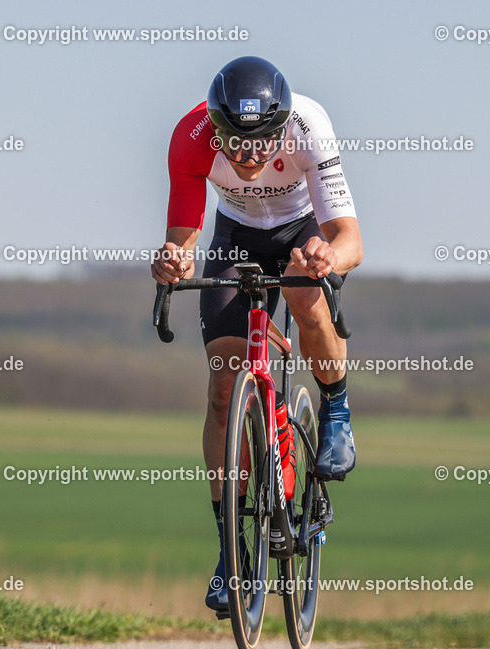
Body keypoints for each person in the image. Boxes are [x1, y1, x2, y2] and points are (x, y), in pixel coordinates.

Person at [150, 56, 362, 617]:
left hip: (301, 231)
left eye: (261, 145)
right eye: (235, 145)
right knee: (223, 387)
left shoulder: (309, 125)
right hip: (236, 237)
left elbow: (350, 239)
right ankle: (231, 552)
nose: (246, 158)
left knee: (306, 298)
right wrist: (172, 260)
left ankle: (336, 408)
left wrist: (327, 256)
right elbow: (183, 239)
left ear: (282, 128)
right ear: (216, 129)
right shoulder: (191, 136)